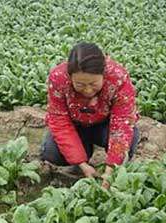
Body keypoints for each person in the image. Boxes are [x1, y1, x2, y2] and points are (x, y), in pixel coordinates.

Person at [40, 42, 139, 188]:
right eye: (80, 84)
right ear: (70, 76)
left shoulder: (118, 77)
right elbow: (59, 120)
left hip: (106, 125)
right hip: (76, 125)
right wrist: (82, 164)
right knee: (51, 152)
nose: (87, 90)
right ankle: (83, 154)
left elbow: (123, 122)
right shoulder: (58, 78)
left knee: (128, 142)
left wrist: (111, 169)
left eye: (93, 84)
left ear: (103, 74)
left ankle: (112, 163)